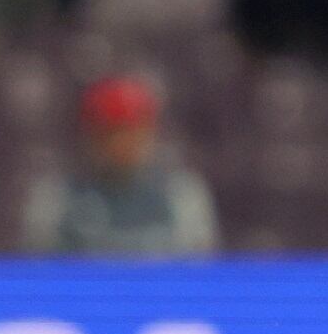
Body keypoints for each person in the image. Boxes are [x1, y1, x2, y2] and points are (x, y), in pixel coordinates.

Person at [21, 75, 219, 255]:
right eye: (110, 132)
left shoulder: (181, 196)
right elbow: (39, 277)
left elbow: (200, 277)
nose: (122, 143)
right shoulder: (57, 199)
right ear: (90, 135)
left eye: (133, 131)